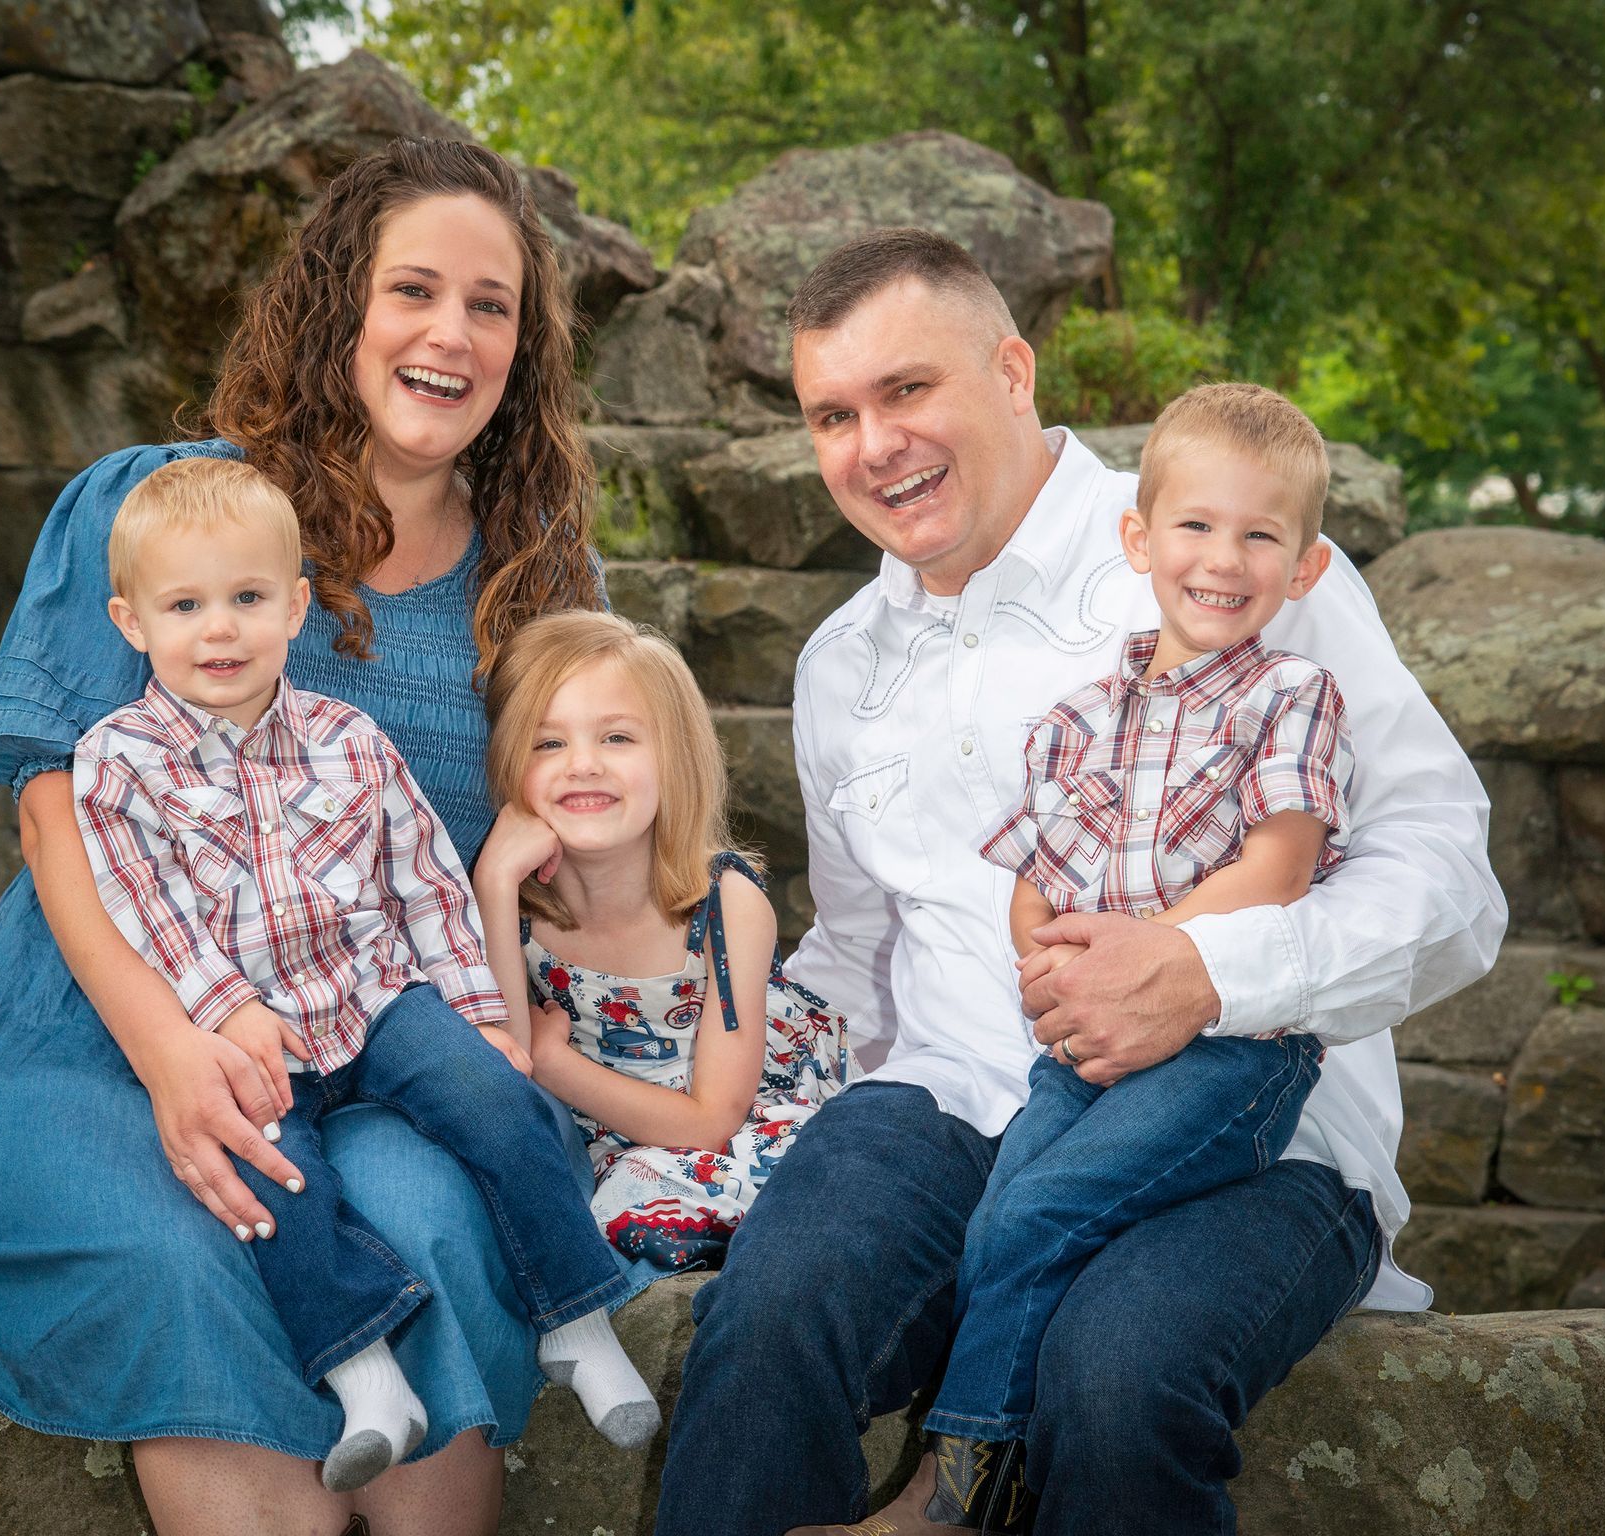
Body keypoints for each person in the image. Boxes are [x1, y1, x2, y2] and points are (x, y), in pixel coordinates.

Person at [651, 228, 1505, 1536]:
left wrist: (1213, 975)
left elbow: (1449, 873)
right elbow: (859, 961)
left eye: (906, 391)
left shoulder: (1211, 557)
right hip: (945, 1103)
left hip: (1250, 1131)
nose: (873, 443)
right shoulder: (841, 668)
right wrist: (668, 1089)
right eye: (833, 413)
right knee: (771, 1318)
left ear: (1011, 369)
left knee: (1115, 1372)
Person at [0, 138, 619, 1536]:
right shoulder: (161, 509)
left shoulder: (539, 580)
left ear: (526, 345)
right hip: (94, 1027)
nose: (450, 334)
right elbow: (50, 814)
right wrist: (173, 1052)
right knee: (199, 1248)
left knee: (443, 1230)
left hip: (369, 1047)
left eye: (491, 304)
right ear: (341, 304)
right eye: (414, 289)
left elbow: (598, 821)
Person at [74, 457, 658, 1486]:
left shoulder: (352, 740)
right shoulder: (117, 761)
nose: (221, 630)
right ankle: (363, 1369)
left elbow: (429, 882)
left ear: (296, 606)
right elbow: (144, 912)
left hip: (378, 1000)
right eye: (186, 605)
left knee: (501, 1100)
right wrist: (227, 1011)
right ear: (132, 622)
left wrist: (478, 1014)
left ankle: (576, 1317)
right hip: (248, 1030)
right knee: (267, 1181)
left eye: (249, 599)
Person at [914, 382, 1354, 1530]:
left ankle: (947, 1492)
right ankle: (1002, 1479)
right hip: (1083, 1050)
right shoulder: (1078, 716)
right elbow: (1033, 880)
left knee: (1040, 1212)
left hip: (1228, 1050)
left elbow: (1280, 867)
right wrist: (1056, 974)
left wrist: (1142, 959)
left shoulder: (1292, 697)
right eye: (1198, 526)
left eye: (1262, 535)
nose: (1225, 558)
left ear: (1304, 568)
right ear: (1139, 538)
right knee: (1004, 1217)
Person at [472, 610, 846, 1269]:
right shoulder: (516, 906)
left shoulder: (724, 905)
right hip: (613, 1137)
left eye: (616, 737)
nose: (582, 765)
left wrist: (560, 1067)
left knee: (807, 1193)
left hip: (742, 1114)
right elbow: (506, 1058)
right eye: (547, 743)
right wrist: (496, 881)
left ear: (673, 757)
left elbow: (710, 1120)